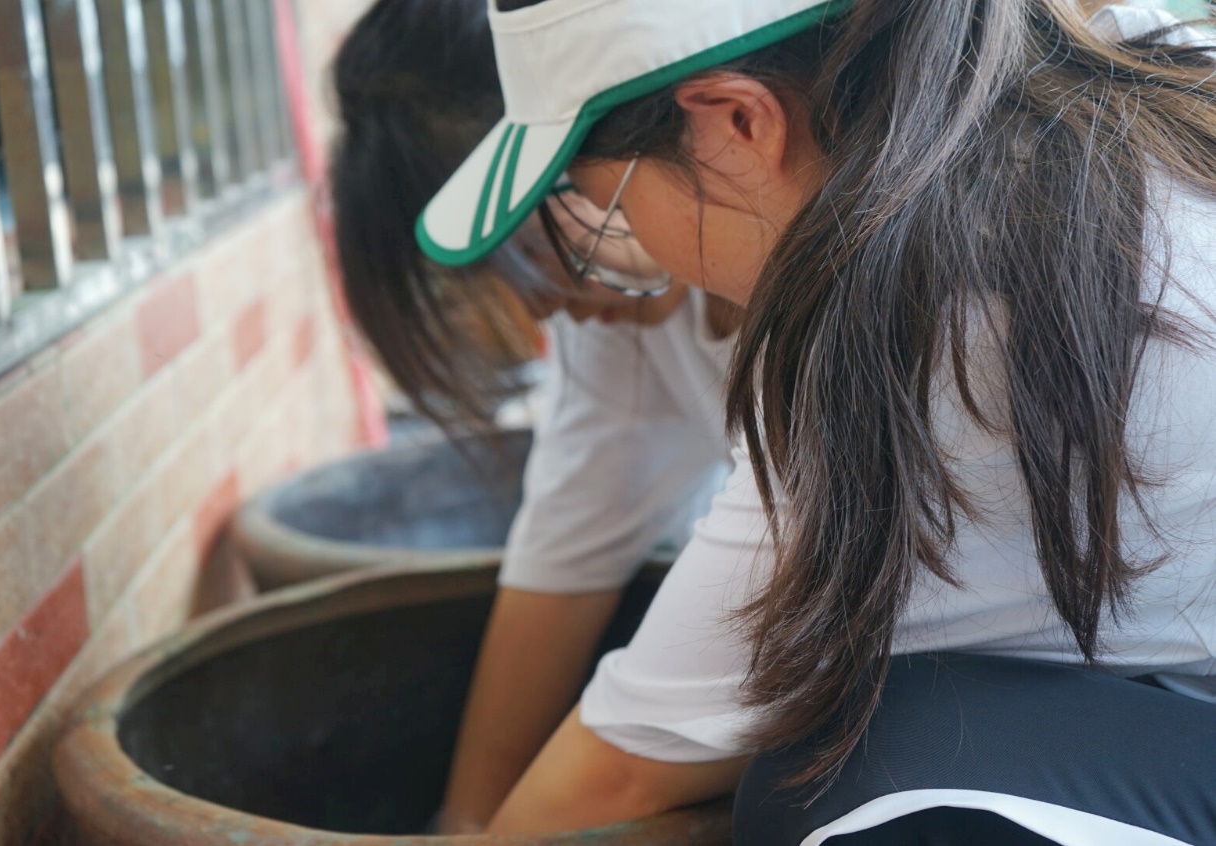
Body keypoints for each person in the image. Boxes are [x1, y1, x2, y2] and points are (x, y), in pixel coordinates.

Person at [415, 0, 1216, 842]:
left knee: (848, 784)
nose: (629, 246)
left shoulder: (930, 334)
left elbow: (623, 768)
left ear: (737, 122)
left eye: (605, 201)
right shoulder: (1132, 68)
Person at [328, 0, 743, 832]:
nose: (540, 307)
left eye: (530, 243)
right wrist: (464, 817)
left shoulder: (860, 293)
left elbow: (633, 760)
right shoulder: (622, 305)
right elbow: (567, 550)